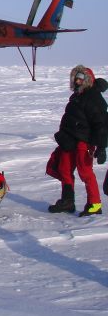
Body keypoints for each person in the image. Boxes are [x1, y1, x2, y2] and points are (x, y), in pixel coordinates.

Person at [47, 66, 107, 216]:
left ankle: (94, 205)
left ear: (87, 79)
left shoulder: (93, 97)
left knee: (85, 172)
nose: (77, 80)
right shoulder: (76, 96)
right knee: (64, 169)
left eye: (80, 77)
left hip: (84, 142)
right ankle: (68, 201)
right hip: (69, 140)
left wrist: (101, 147)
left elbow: (101, 124)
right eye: (75, 77)